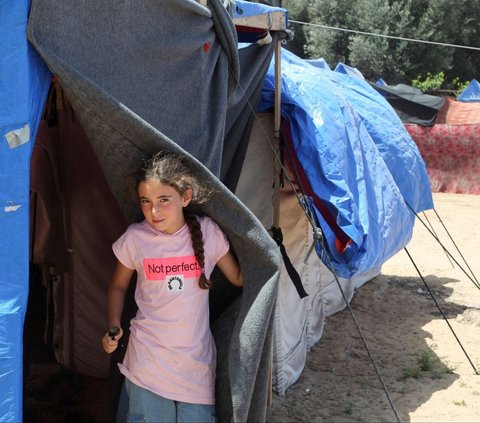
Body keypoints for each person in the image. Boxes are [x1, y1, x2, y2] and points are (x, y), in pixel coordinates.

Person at [102, 151, 243, 423]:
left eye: (164, 200)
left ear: (185, 197)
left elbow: (239, 278)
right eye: (146, 201)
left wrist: (269, 253)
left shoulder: (208, 233)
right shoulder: (136, 238)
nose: (153, 211)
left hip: (195, 369)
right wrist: (113, 324)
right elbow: (117, 286)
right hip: (147, 364)